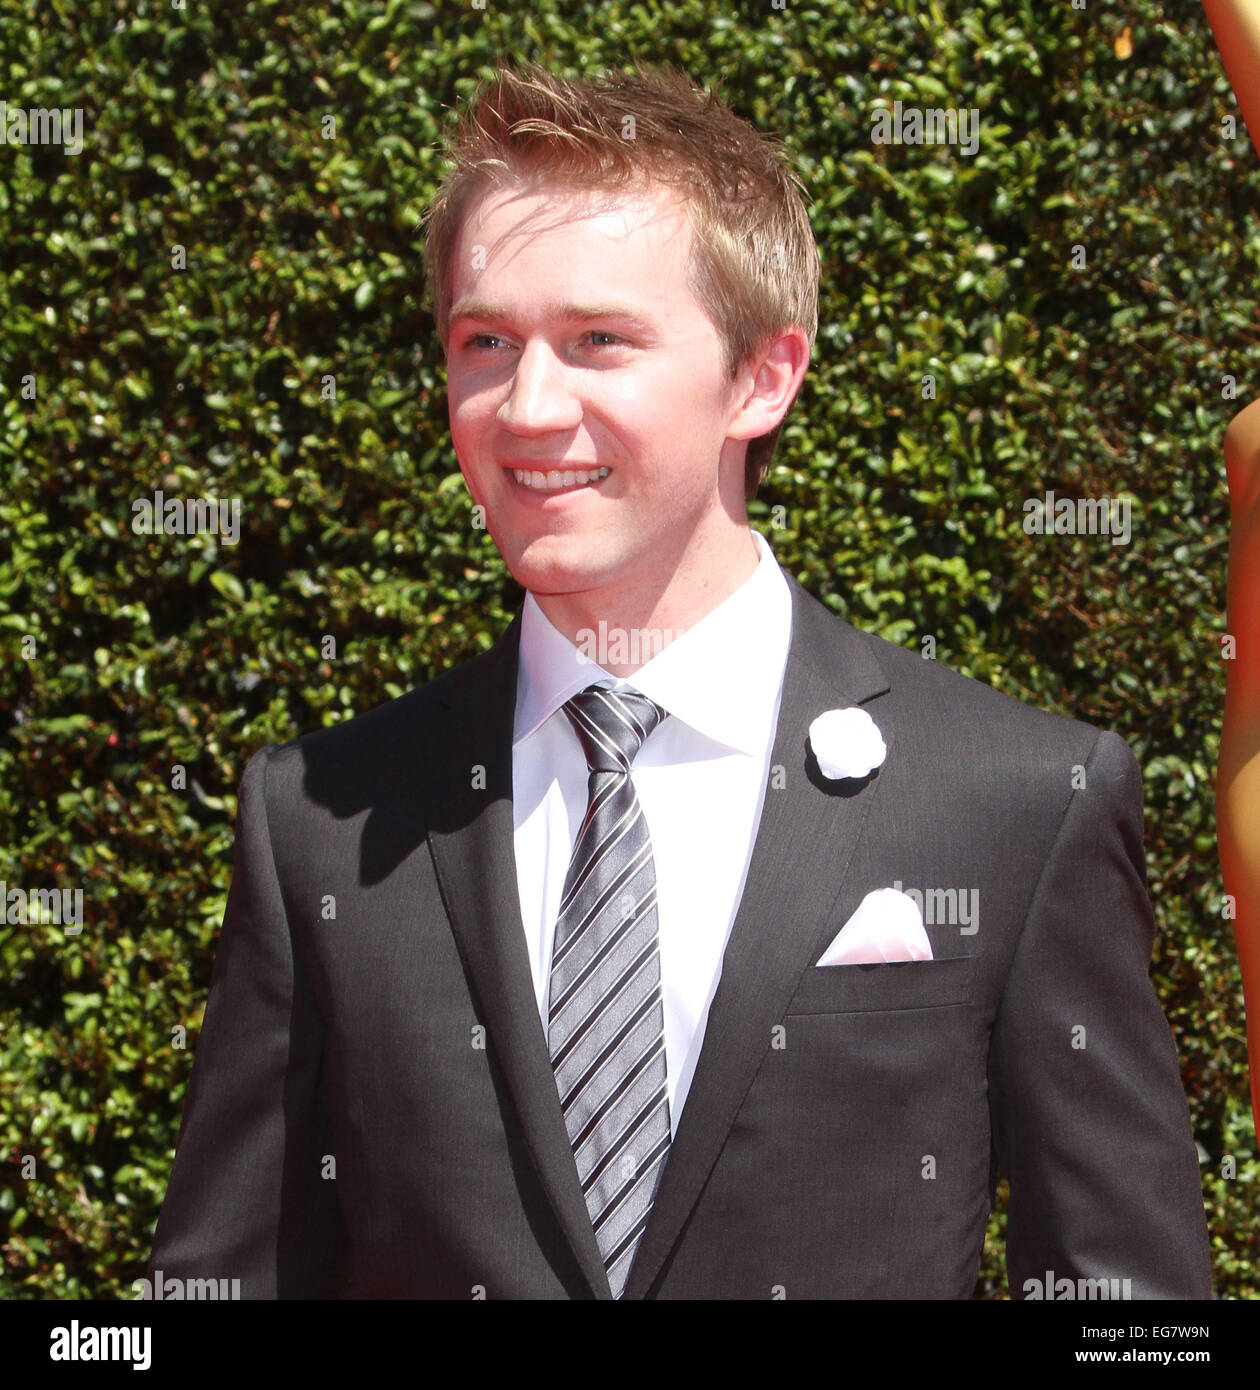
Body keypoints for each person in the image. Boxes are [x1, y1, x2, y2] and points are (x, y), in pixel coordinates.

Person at [147, 59, 1211, 1299]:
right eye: (485, 342)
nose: (527, 406)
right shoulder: (317, 821)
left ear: (762, 378)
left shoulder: (1017, 798)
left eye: (600, 340)